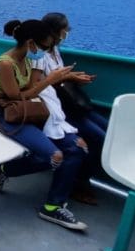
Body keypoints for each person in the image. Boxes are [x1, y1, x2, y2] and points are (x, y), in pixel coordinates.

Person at [0, 19, 89, 231]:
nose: (43, 52)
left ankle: (53, 205)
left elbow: (33, 88)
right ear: (30, 43)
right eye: (42, 47)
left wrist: (62, 77)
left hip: (26, 112)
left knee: (77, 148)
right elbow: (18, 96)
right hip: (5, 115)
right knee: (55, 156)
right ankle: (7, 168)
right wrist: (50, 79)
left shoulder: (28, 60)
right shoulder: (6, 64)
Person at [34, 12, 108, 204]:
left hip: (72, 105)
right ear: (54, 32)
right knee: (97, 137)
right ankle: (79, 182)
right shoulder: (40, 56)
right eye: (64, 30)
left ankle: (82, 180)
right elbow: (40, 86)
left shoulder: (54, 51)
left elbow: (58, 77)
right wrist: (68, 78)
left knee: (107, 131)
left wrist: (74, 77)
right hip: (59, 111)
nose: (66, 33)